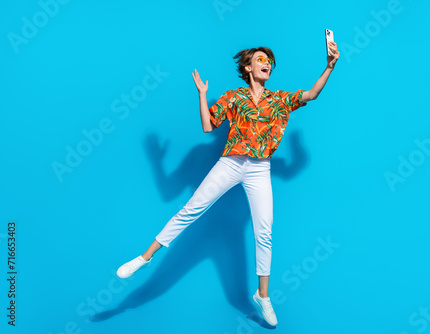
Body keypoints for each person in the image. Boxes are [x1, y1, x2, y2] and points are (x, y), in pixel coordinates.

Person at [117, 41, 340, 326]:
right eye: (261, 59)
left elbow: (311, 94)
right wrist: (202, 95)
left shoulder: (279, 100)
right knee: (191, 209)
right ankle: (145, 257)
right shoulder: (234, 98)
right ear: (248, 67)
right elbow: (208, 127)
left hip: (260, 168)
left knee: (265, 231)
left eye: (269, 60)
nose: (267, 63)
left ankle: (262, 295)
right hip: (231, 163)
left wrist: (330, 65)